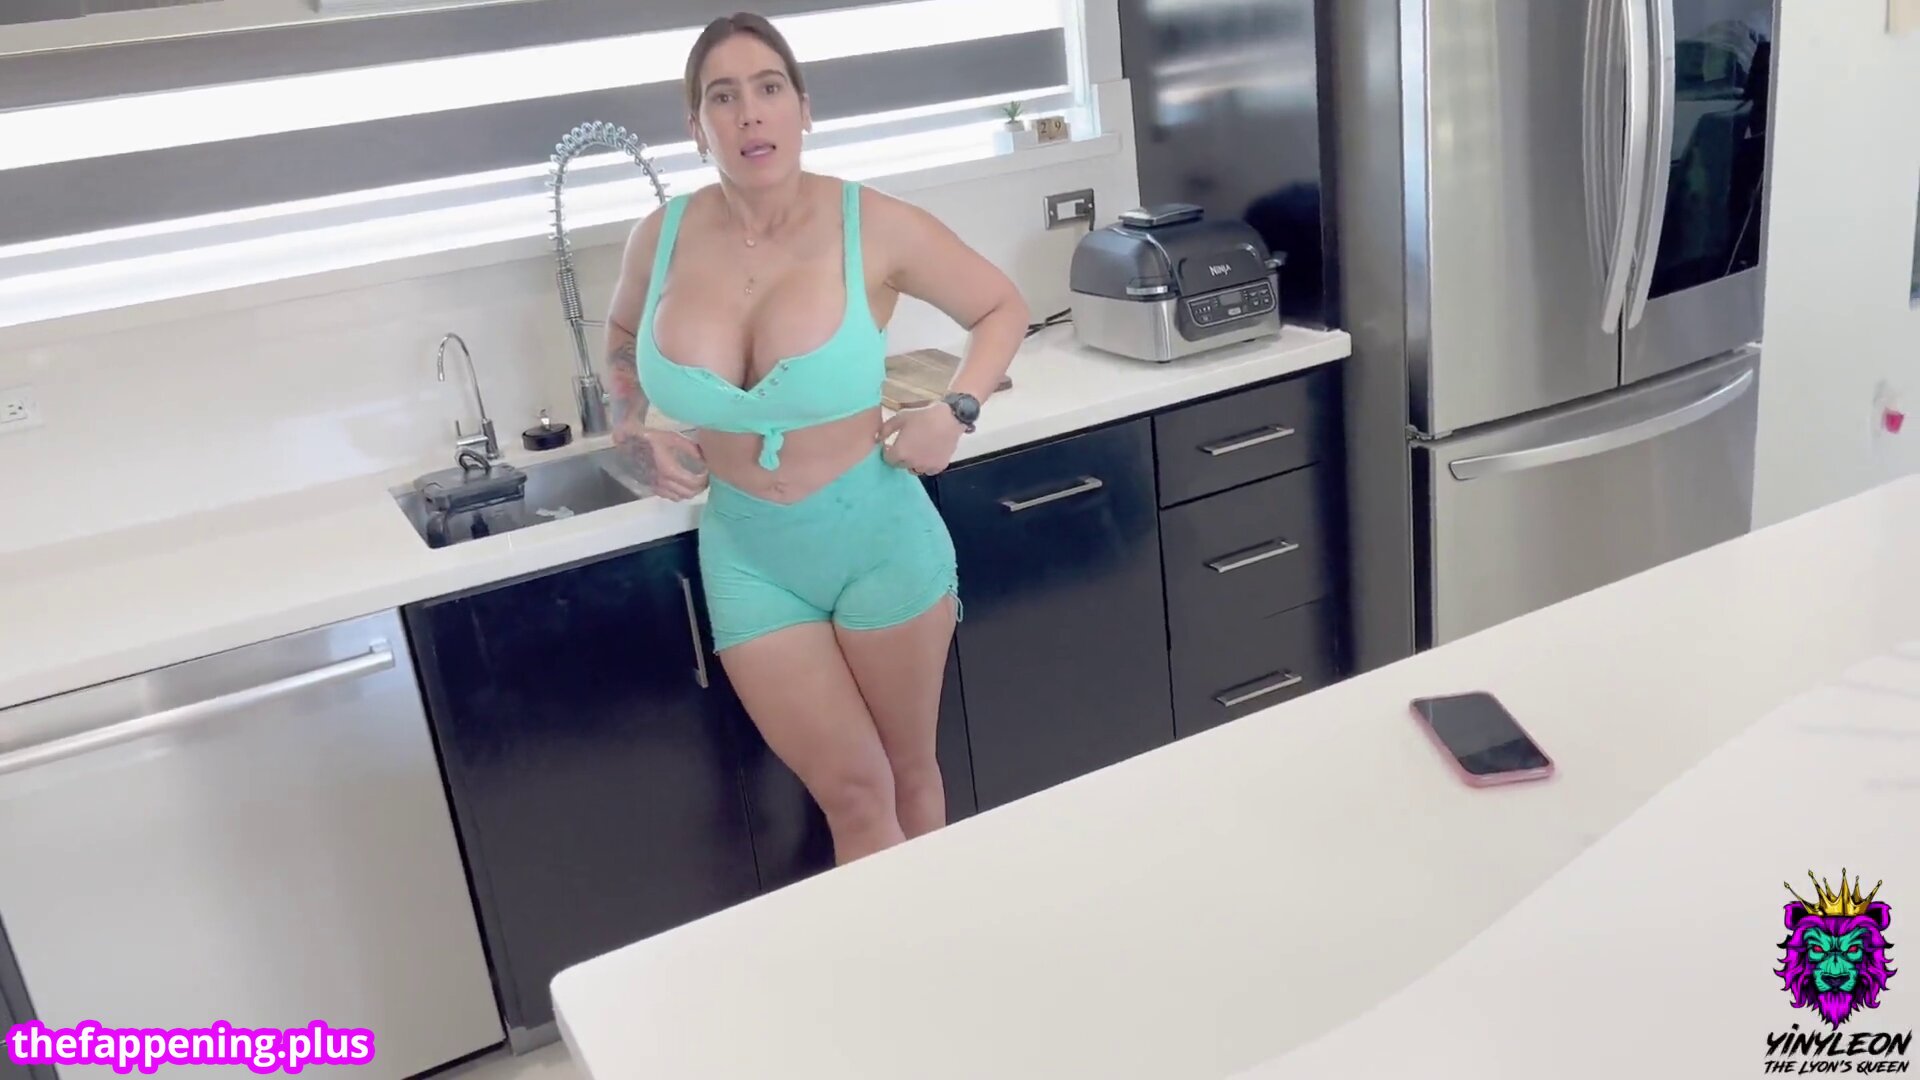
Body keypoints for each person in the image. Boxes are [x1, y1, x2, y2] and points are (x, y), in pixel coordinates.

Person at [600, 12, 1029, 865]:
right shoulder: (662, 236)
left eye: (769, 89)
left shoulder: (873, 225)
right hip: (749, 556)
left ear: (803, 108)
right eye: (723, 97)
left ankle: (940, 944)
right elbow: (619, 338)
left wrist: (956, 410)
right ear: (697, 127)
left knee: (907, 776)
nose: (750, 113)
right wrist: (627, 425)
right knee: (853, 794)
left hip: (876, 540)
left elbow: (1000, 307)